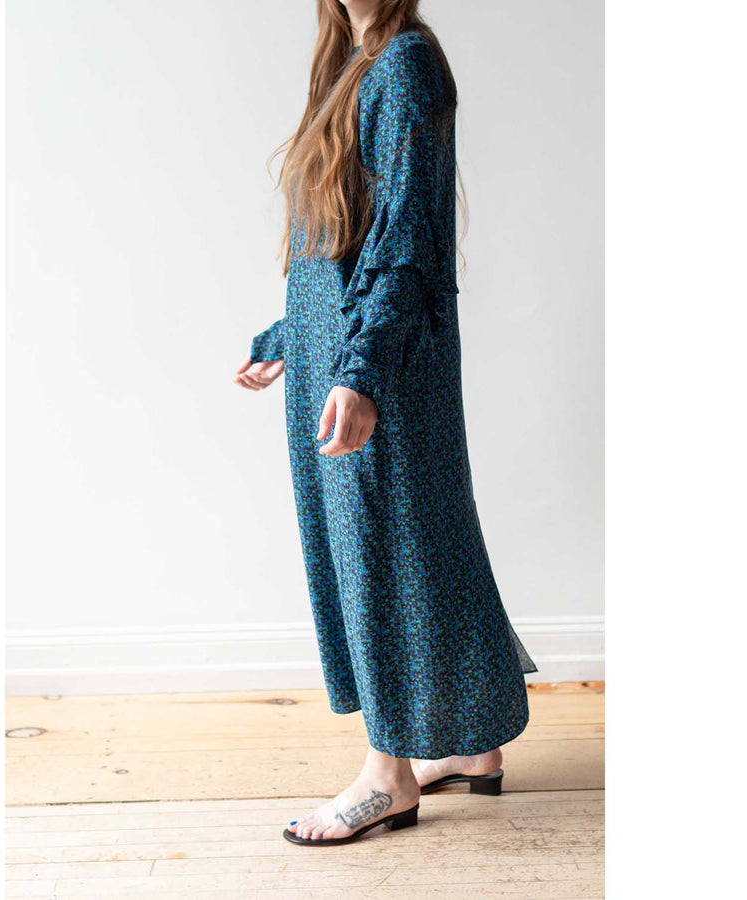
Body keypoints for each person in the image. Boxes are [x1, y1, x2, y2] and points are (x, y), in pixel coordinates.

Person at [233, 0, 537, 846]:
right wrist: (291, 335)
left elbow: (405, 237)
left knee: (380, 557)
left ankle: (387, 776)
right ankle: (471, 745)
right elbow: (342, 244)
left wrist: (361, 372)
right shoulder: (351, 64)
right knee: (420, 542)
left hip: (375, 362)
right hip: (344, 354)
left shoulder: (402, 65)